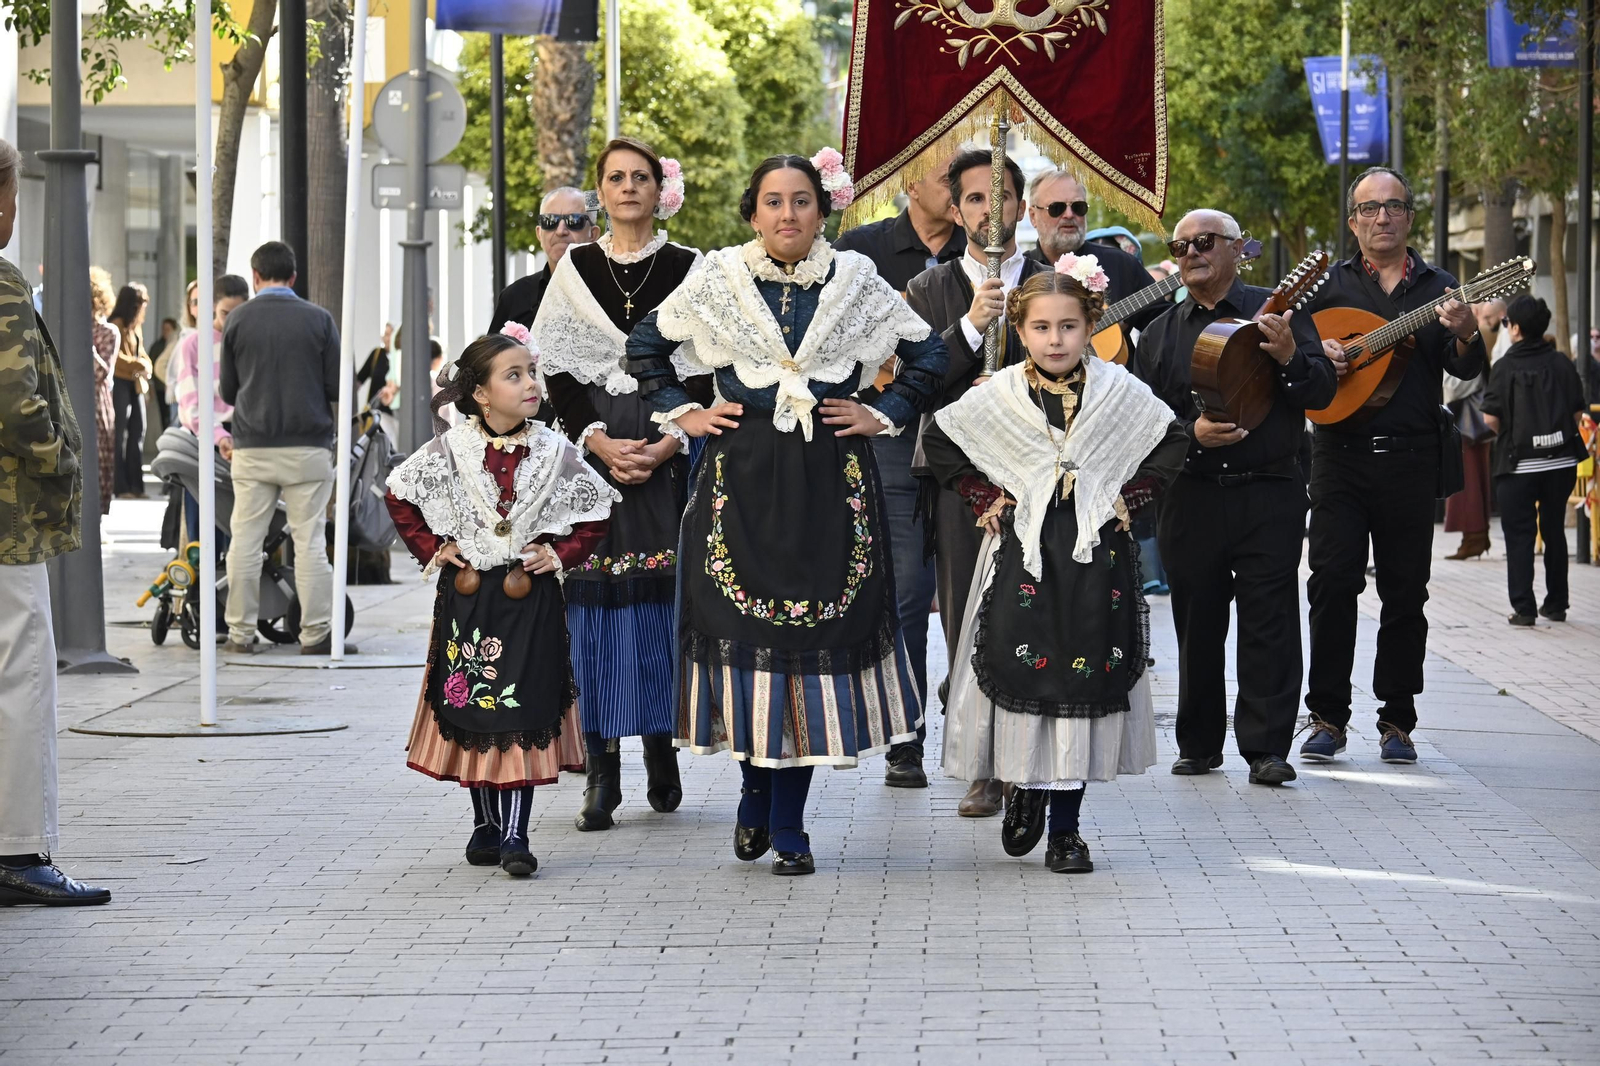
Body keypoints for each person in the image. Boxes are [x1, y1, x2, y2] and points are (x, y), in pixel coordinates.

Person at [627, 151, 947, 875]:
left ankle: (791, 824)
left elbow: (927, 355)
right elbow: (646, 345)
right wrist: (685, 410)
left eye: (801, 201)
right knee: (745, 637)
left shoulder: (856, 281)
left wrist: (883, 411)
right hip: (739, 477)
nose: (788, 215)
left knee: (810, 643)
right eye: (773, 201)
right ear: (752, 212)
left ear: (822, 210)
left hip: (830, 478)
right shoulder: (718, 278)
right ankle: (752, 793)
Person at [924, 258, 1186, 871]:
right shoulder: (1000, 395)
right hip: (1022, 556)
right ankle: (1029, 789)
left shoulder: (1120, 393)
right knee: (1024, 675)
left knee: (1085, 681)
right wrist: (985, 496)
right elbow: (941, 440)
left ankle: (1066, 827)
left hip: (1097, 560)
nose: (1056, 339)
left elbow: (1171, 438)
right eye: (1042, 328)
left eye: (1069, 326)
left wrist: (1131, 494)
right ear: (1021, 332)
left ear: (1091, 324)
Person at [385, 328, 618, 877]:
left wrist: (557, 552)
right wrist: (435, 548)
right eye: (514, 375)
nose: (530, 384)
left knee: (525, 704)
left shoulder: (555, 450)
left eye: (531, 373)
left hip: (530, 601)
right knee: (473, 706)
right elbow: (399, 493)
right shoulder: (450, 449)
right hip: (468, 602)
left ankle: (517, 833)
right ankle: (485, 825)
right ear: (482, 394)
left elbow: (598, 510)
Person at [532, 137, 705, 831]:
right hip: (592, 452)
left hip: (669, 448)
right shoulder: (574, 267)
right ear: (599, 191)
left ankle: (662, 744)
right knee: (594, 610)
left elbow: (705, 366)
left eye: (641, 177)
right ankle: (602, 774)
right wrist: (597, 441)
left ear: (661, 189)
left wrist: (667, 443)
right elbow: (558, 371)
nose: (628, 187)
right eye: (615, 177)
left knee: (662, 604)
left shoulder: (692, 268)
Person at [1129, 210, 1336, 785]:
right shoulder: (1162, 330)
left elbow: (1321, 392)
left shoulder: (1281, 312)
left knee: (1270, 620)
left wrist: (1293, 356)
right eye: (1182, 244)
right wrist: (1187, 434)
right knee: (1197, 622)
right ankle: (1197, 744)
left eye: (1205, 242)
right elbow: (1141, 419)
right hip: (1191, 494)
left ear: (1238, 249)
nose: (1192, 251)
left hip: (1270, 488)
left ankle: (1267, 748)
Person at [1299, 167, 1485, 766]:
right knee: (1331, 586)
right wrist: (1319, 352)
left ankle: (1397, 720)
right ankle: (1326, 715)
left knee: (1406, 593)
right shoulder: (1328, 288)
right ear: (1353, 221)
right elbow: (1296, 360)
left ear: (1410, 217)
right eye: (1370, 209)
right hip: (1338, 457)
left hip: (1410, 459)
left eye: (1394, 207)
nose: (1383, 218)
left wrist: (1464, 335)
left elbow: (1463, 369)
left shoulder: (1440, 285)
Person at [905, 148, 1041, 815]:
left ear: (1022, 205)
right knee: (965, 617)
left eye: (1005, 195)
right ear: (955, 211)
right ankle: (982, 763)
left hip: (1041, 476)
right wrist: (972, 331)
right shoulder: (928, 291)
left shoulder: (1055, 280)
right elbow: (916, 381)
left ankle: (1032, 761)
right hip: (961, 481)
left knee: (1036, 609)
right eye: (977, 199)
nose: (992, 210)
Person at [0, 136, 111, 906]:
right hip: (9, 519)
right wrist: (59, 459)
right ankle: (19, 850)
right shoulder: (1, 282)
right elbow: (14, 392)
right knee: (22, 668)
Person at [834, 156, 965, 789]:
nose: (967, 194)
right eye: (951, 180)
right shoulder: (861, 249)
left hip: (971, 446)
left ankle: (972, 720)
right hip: (890, 442)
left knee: (972, 596)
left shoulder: (987, 254)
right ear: (911, 181)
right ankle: (904, 735)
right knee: (908, 593)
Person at [220, 241, 349, 656]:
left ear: (255, 277)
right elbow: (335, 387)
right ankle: (315, 636)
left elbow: (227, 389)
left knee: (245, 540)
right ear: (294, 277)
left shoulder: (238, 319)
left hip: (253, 448)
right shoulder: (319, 320)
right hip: (308, 448)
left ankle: (240, 634)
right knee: (309, 541)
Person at [1480, 295, 1586, 627]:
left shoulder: (1505, 367)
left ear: (1516, 329)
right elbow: (1578, 412)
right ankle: (1557, 603)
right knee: (1554, 528)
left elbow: (1490, 420)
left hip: (1517, 465)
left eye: (1507, 322)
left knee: (1520, 534)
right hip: (1561, 463)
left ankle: (1524, 608)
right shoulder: (1562, 363)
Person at [171, 274, 250, 543]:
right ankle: (201, 584)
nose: (230, 320)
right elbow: (190, 403)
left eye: (237, 313)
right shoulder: (194, 344)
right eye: (225, 312)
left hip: (243, 437)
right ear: (213, 307)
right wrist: (219, 436)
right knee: (203, 530)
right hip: (204, 438)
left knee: (238, 529)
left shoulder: (250, 340)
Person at [1442, 297, 1508, 561]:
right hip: (1475, 422)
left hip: (1469, 424)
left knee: (1468, 481)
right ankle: (1475, 537)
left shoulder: (1482, 338)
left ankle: (1474, 537)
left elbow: (1458, 382)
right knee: (1474, 479)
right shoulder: (1489, 336)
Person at [489, 188, 600, 333]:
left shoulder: (615, 291)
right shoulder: (515, 296)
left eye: (574, 221)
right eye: (550, 221)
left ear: (593, 234)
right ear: (539, 233)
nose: (561, 231)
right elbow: (490, 354)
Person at [108, 282, 152, 498]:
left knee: (138, 432)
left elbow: (142, 354)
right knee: (119, 435)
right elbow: (116, 359)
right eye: (143, 301)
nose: (145, 306)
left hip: (135, 385)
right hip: (120, 383)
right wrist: (139, 365)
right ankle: (121, 486)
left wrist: (146, 365)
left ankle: (136, 486)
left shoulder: (135, 327)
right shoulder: (115, 324)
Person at [88, 267, 120, 516]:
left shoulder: (108, 331)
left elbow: (101, 373)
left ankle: (95, 520)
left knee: (97, 466)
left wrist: (84, 344)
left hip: (97, 407)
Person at [147, 316, 179, 433]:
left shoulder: (176, 342)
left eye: (168, 329)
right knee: (167, 419)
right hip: (162, 386)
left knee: (173, 419)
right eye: (163, 329)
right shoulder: (157, 346)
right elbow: (155, 366)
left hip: (174, 389)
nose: (165, 332)